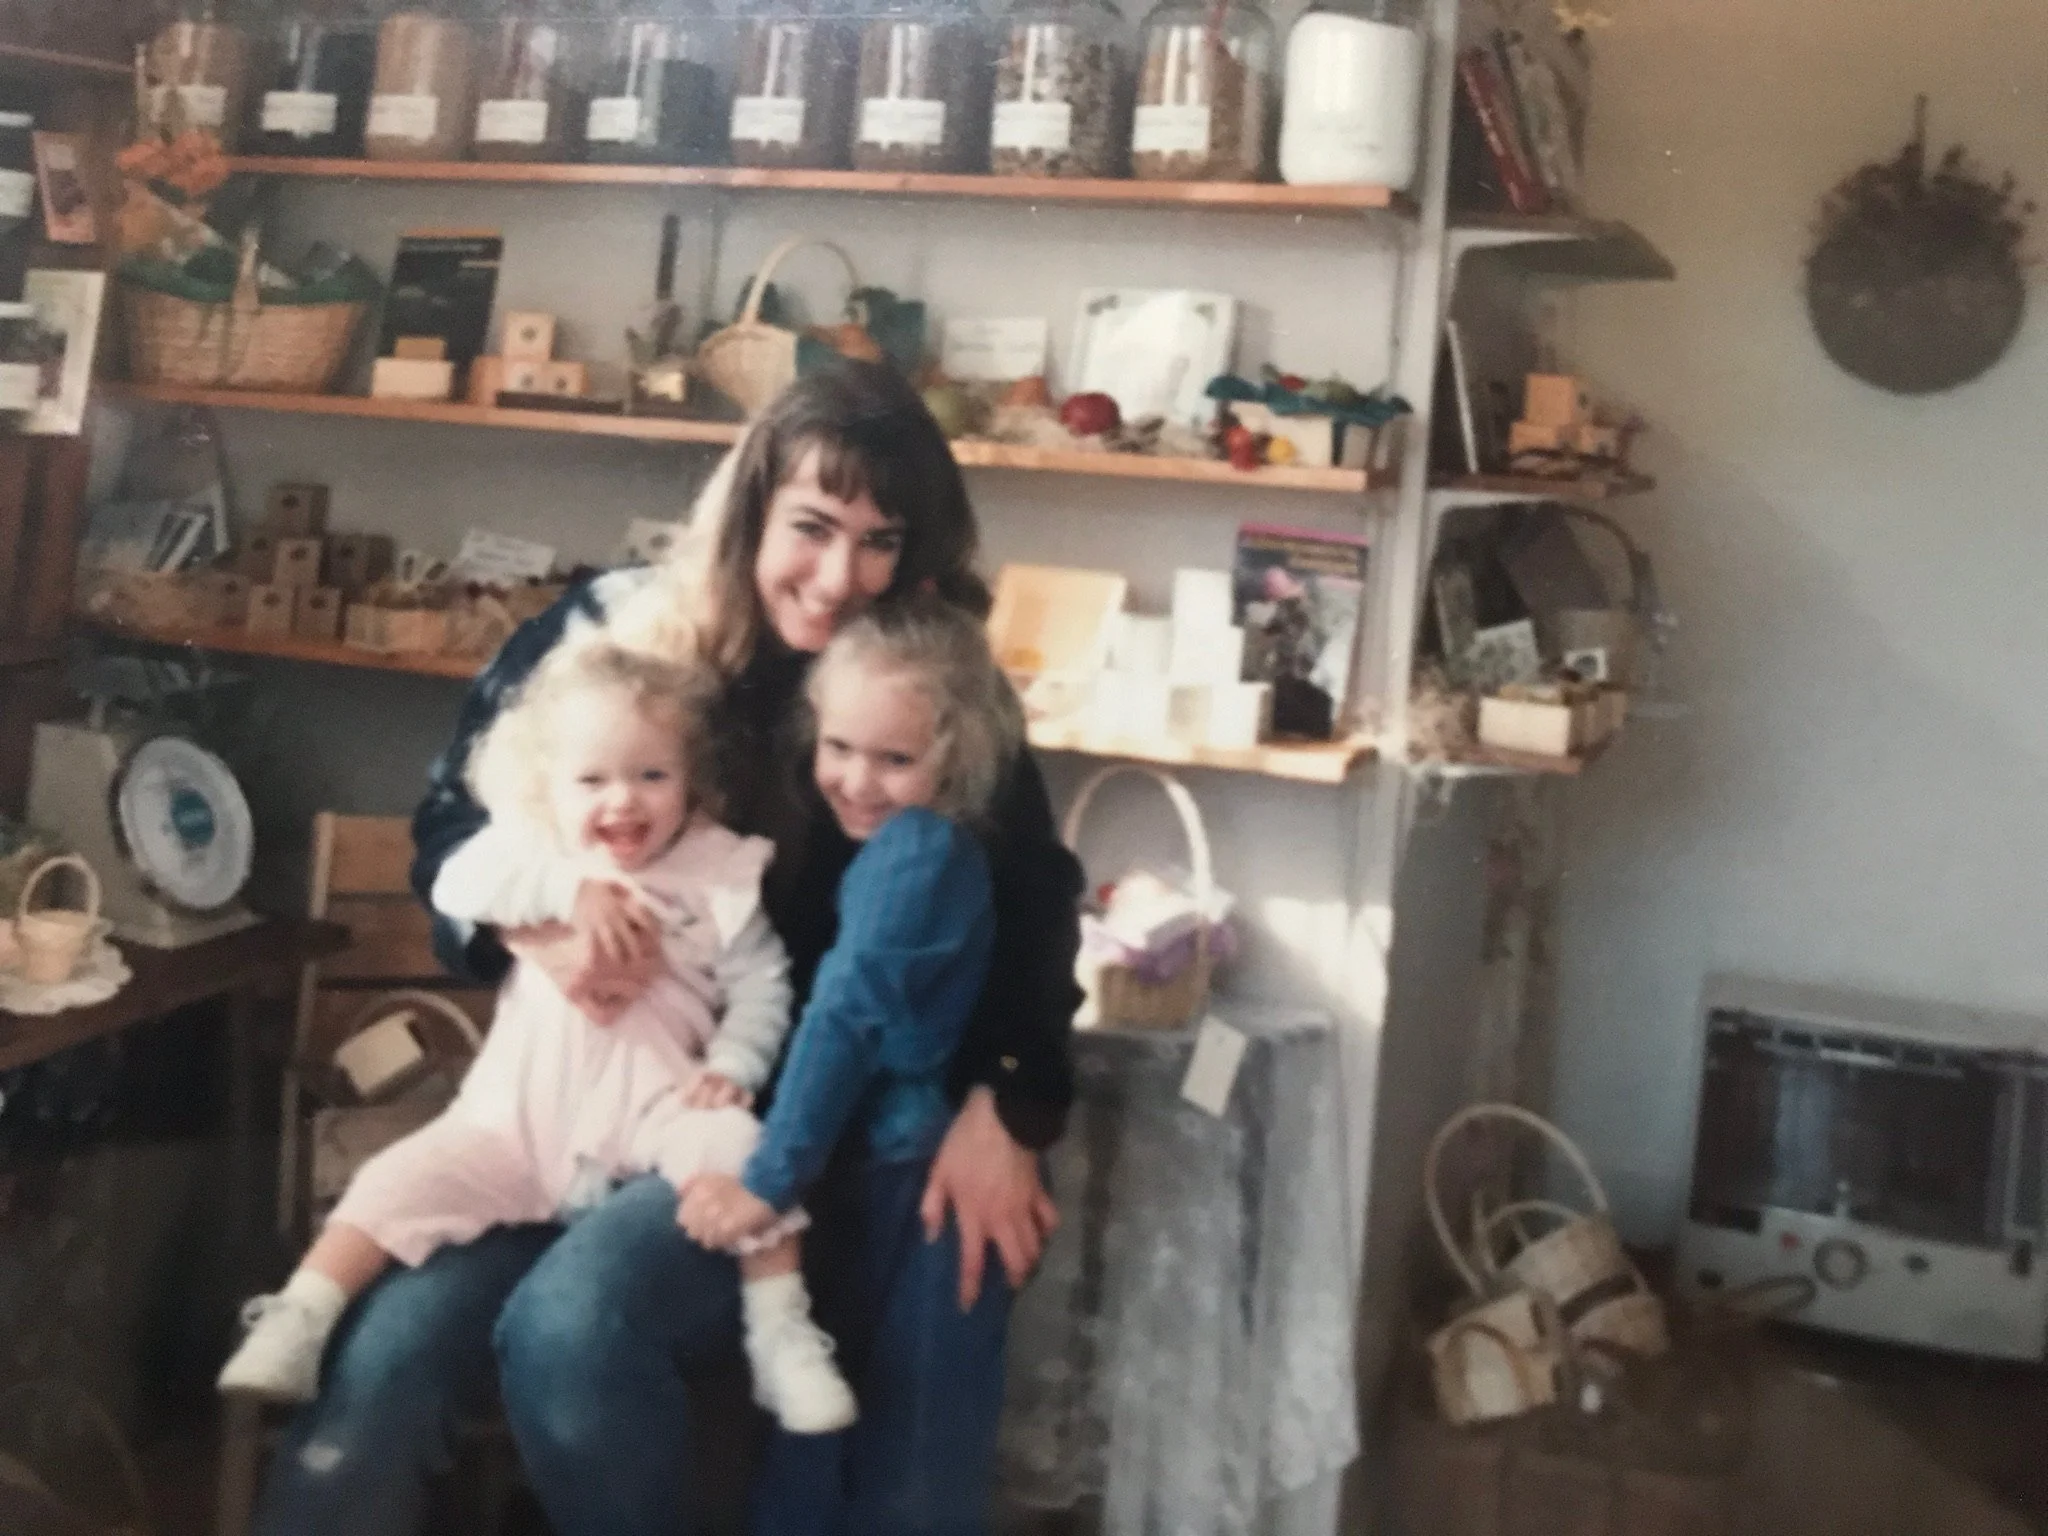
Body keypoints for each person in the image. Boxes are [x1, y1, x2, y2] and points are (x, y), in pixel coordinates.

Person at [250, 361, 1084, 1536]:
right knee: (379, 1369)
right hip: (547, 1120)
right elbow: (447, 826)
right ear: (750, 511)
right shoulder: (615, 626)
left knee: (571, 1330)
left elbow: (1030, 894)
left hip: (757, 1142)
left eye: (880, 542)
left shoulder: (913, 683)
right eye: (811, 527)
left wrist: (1011, 1101)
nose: (837, 577)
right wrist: (543, 927)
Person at [219, 641, 855, 1434]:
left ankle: (782, 1334)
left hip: (658, 1108)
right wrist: (569, 889)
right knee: (396, 1180)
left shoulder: (715, 873)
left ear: (691, 780)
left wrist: (735, 1061)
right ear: (548, 785)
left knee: (740, 1149)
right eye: (592, 780)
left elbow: (765, 983)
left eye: (651, 775)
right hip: (514, 1121)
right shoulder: (534, 852)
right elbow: (457, 884)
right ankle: (301, 1315)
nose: (622, 802)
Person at [679, 597, 1027, 1509]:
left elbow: (844, 1018)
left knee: (902, 1443)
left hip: (909, 1180)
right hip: (885, 1160)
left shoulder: (917, 852)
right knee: (854, 1426)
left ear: (955, 755)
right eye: (838, 748)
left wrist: (767, 1181)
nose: (857, 782)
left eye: (895, 760)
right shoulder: (914, 848)